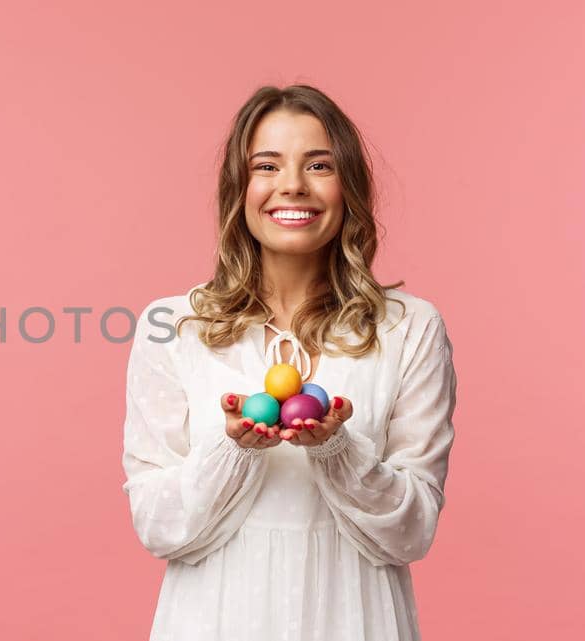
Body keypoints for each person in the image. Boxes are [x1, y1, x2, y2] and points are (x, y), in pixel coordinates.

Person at [119, 84, 458, 640]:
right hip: (214, 620)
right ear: (239, 188)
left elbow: (412, 533)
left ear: (348, 185)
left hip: (355, 620)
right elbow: (159, 528)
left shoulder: (408, 327)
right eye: (267, 165)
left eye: (319, 164)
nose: (292, 185)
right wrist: (234, 451)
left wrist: (336, 450)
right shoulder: (173, 326)